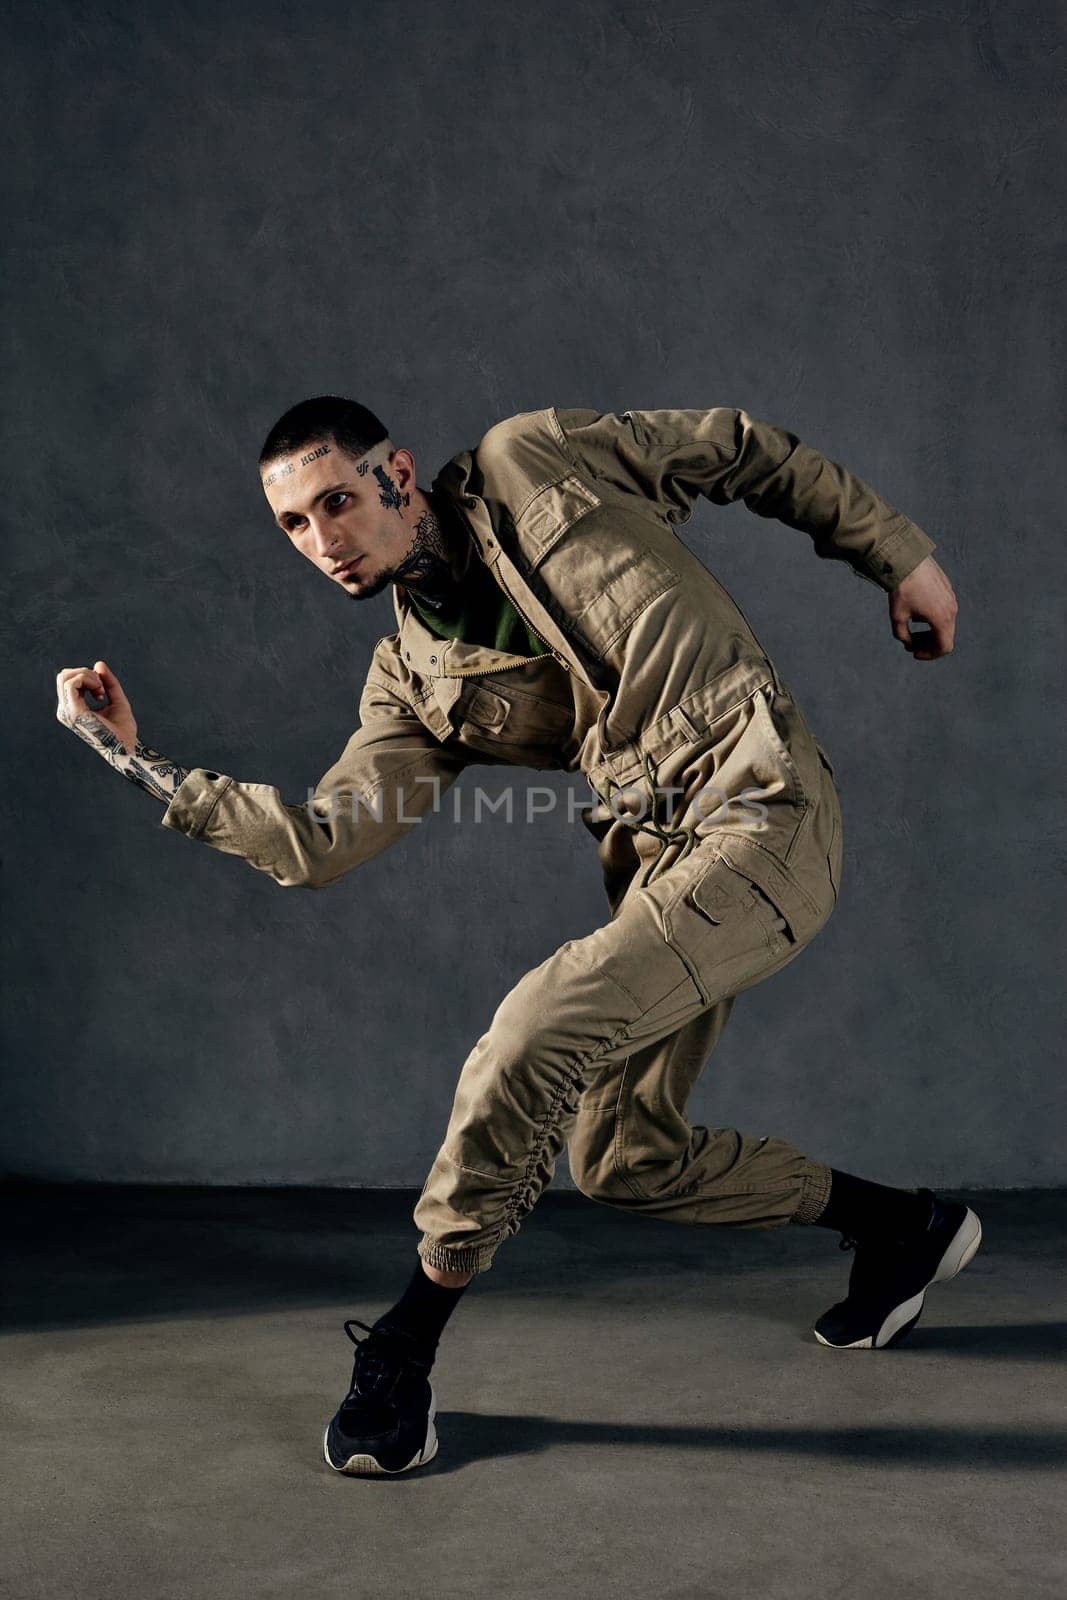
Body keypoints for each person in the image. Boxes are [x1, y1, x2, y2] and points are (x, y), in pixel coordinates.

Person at [55, 395, 981, 1477]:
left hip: (765, 807)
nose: (325, 543)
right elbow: (318, 839)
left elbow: (740, 452)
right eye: (295, 527)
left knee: (534, 1027)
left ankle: (404, 1345)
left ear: (397, 474)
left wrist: (899, 558)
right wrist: (136, 758)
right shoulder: (411, 684)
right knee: (623, 1159)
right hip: (657, 870)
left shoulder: (537, 457)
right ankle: (901, 1227)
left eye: (338, 501)